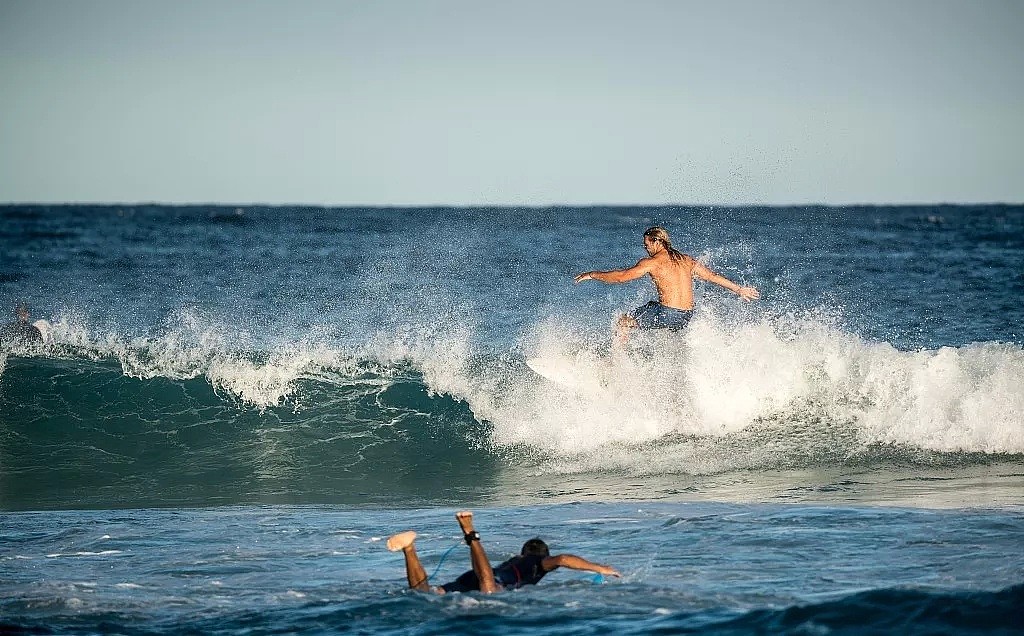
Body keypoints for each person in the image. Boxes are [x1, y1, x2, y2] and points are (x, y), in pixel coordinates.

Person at [575, 226, 760, 342]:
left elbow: (621, 277)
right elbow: (712, 276)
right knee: (652, 312)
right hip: (686, 316)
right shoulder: (686, 260)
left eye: (646, 244)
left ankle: (616, 368)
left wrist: (592, 275)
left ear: (656, 242)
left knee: (623, 322)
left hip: (667, 313)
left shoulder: (652, 262)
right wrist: (739, 289)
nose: (645, 248)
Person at [386, 510, 620, 594]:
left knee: (425, 592)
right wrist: (601, 568)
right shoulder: (538, 562)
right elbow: (563, 559)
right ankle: (470, 533)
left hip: (469, 578)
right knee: (488, 588)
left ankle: (409, 548)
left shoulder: (517, 559)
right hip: (490, 577)